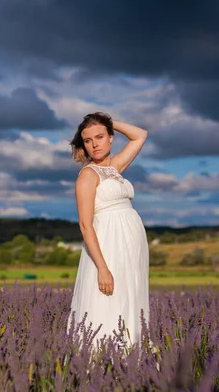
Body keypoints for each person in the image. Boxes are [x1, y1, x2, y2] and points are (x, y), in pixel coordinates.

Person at [67, 112, 150, 349]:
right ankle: (101, 359)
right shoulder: (88, 175)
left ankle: (132, 355)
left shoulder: (114, 168)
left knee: (129, 297)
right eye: (88, 140)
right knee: (107, 300)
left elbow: (140, 135)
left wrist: (108, 121)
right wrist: (102, 268)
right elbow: (85, 225)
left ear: (111, 137)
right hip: (108, 244)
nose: (95, 144)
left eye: (100, 136)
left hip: (130, 245)